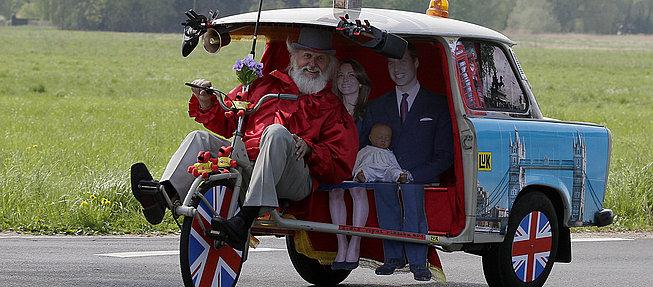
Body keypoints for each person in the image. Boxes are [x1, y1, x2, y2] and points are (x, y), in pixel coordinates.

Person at [131, 27, 358, 251]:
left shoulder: (332, 107)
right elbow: (229, 121)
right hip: (247, 163)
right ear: (293, 56)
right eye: (307, 56)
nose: (312, 64)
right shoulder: (264, 85)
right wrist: (206, 102)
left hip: (294, 178)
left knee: (276, 132)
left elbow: (340, 165)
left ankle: (244, 220)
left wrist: (309, 149)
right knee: (199, 138)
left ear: (329, 64)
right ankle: (163, 197)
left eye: (320, 59)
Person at [359, 42, 453, 281]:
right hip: (384, 179)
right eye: (391, 63)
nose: (396, 68)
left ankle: (418, 263)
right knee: (385, 207)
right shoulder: (377, 105)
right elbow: (365, 146)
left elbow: (445, 154)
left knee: (414, 209)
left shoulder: (439, 104)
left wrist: (414, 175)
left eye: (402, 61)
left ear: (416, 62)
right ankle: (392, 257)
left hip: (419, 178)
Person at [329, 60, 370, 271]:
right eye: (340, 75)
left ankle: (355, 243)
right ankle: (341, 245)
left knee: (357, 191)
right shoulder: (331, 109)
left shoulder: (369, 111)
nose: (345, 80)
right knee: (335, 193)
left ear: (361, 81)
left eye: (351, 75)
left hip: (362, 162)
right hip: (337, 161)